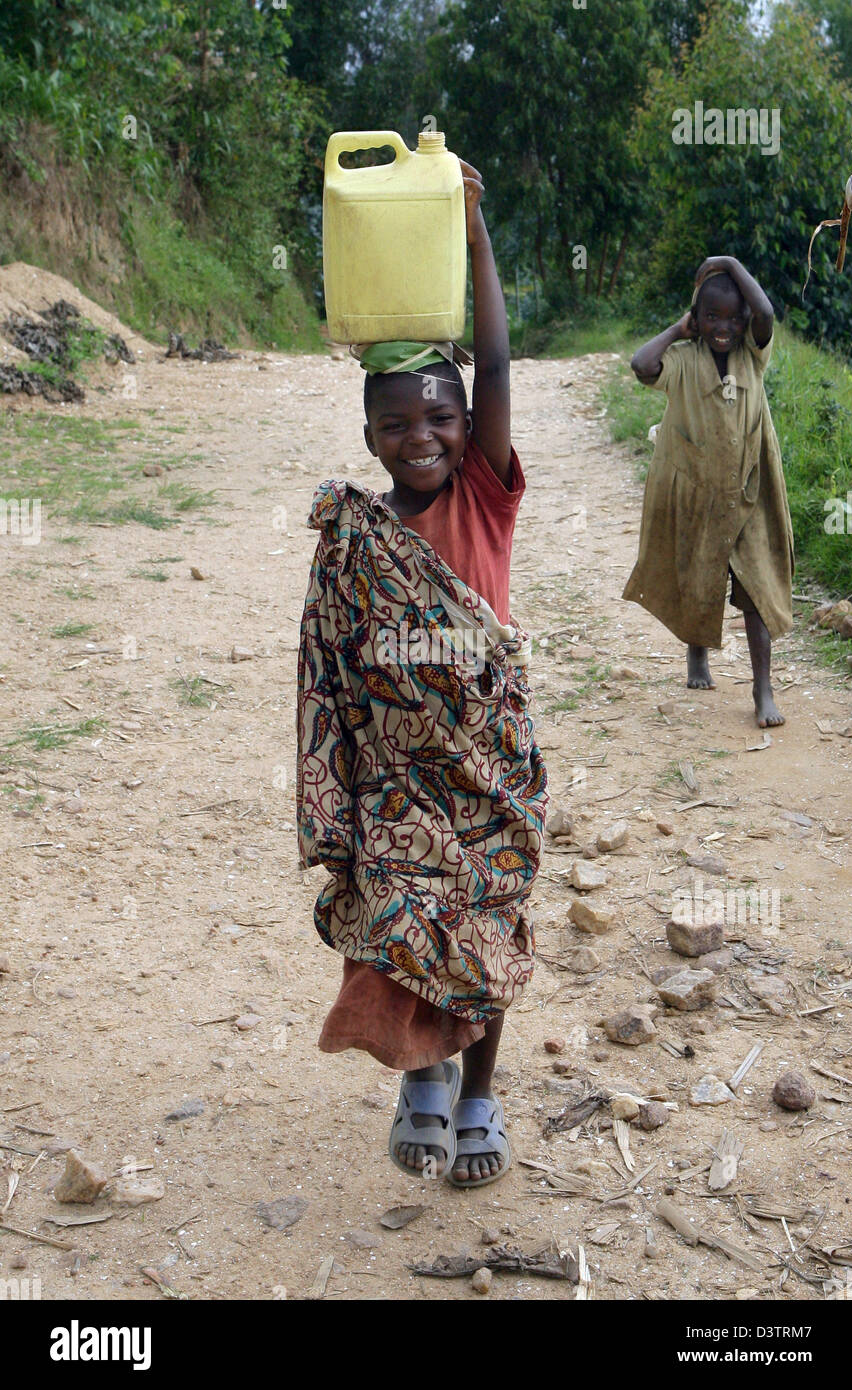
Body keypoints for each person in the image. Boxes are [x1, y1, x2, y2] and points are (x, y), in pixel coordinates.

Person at [296, 157, 547, 1188]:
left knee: (484, 925)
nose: (423, 437)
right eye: (397, 424)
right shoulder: (360, 533)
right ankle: (422, 1081)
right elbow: (336, 671)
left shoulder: (483, 494)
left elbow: (492, 357)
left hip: (484, 763)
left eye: (439, 418)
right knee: (401, 917)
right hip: (399, 776)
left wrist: (476, 233)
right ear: (368, 435)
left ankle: (477, 1091)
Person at [623, 256, 794, 727]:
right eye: (711, 317)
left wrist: (730, 265)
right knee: (698, 576)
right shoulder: (683, 359)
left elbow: (765, 313)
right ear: (696, 320)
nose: (724, 326)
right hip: (697, 489)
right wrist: (680, 329)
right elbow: (641, 364)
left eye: (732, 318)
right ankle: (697, 653)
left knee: (756, 589)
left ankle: (763, 688)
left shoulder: (753, 355)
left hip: (750, 489)